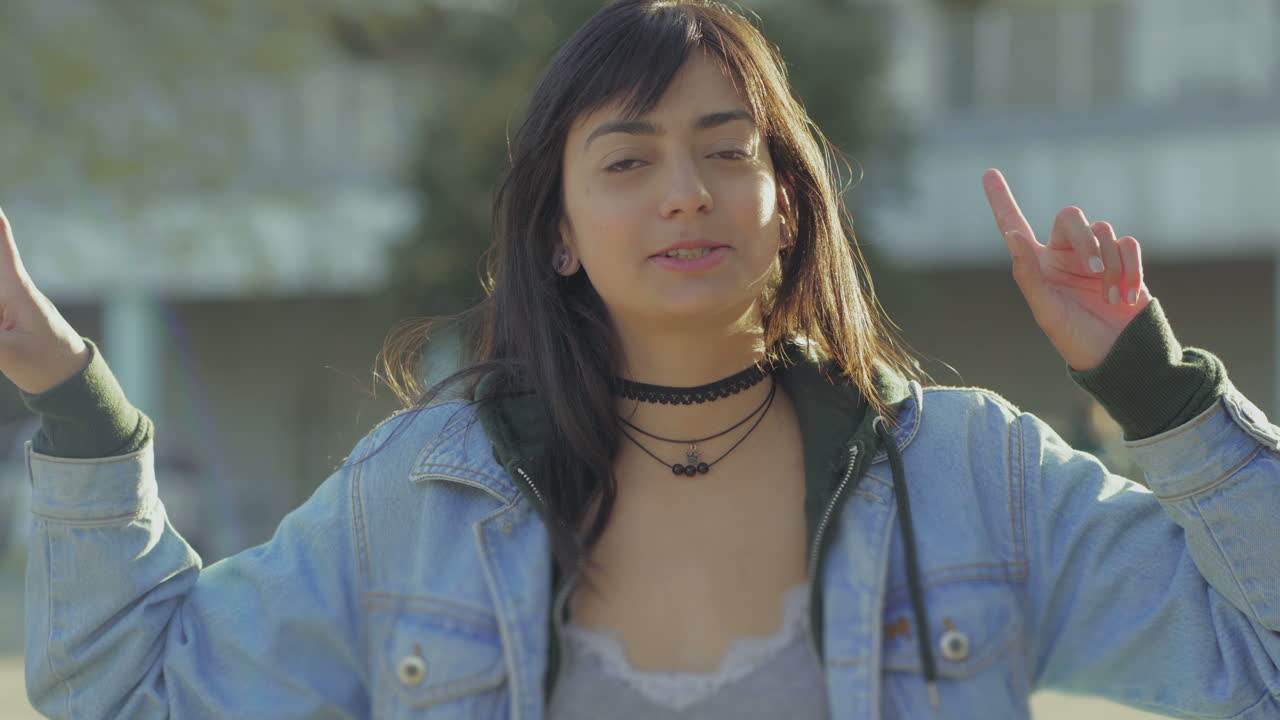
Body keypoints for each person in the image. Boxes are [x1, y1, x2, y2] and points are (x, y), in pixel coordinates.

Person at [7, 1, 1279, 718]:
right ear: (557, 234)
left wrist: (1152, 388)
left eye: (728, 150)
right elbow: (131, 700)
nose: (686, 193)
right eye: (627, 160)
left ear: (786, 198)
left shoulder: (973, 475)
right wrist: (74, 401)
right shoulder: (425, 493)